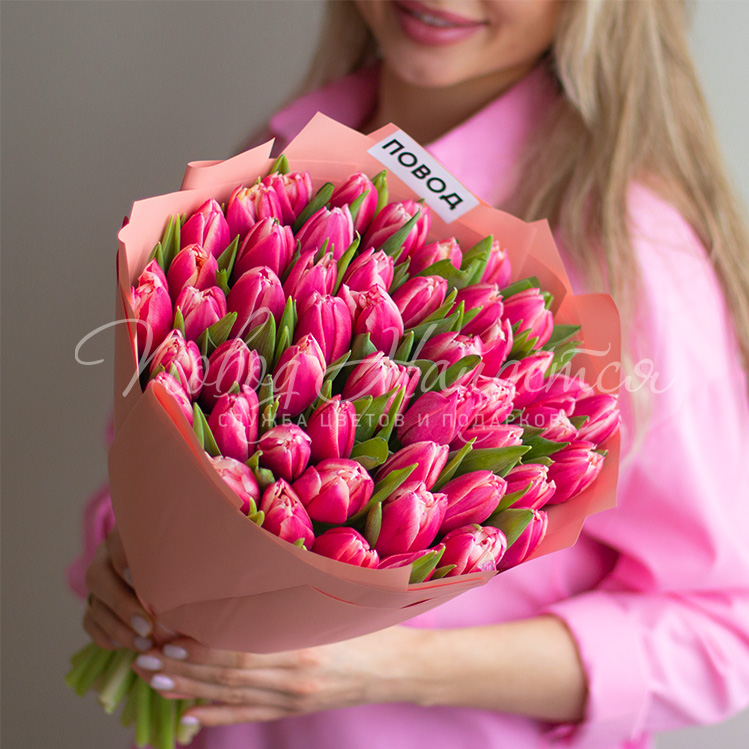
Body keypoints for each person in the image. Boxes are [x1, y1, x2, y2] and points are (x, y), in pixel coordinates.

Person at [72, 1, 749, 747]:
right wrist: (132, 561)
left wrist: (387, 667)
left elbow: (726, 627)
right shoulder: (284, 150)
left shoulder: (628, 245)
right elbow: (160, 432)